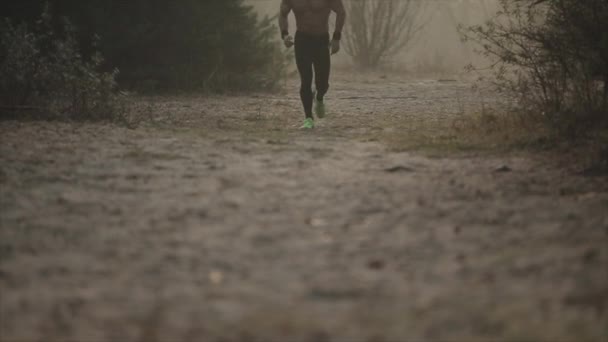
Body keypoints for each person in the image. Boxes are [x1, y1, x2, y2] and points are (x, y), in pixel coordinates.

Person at [279, 0, 346, 129]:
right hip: (302, 40)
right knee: (306, 79)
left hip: (321, 40)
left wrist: (336, 37)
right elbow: (282, 13)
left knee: (323, 83)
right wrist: (284, 34)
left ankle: (319, 97)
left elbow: (341, 12)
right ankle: (308, 118)